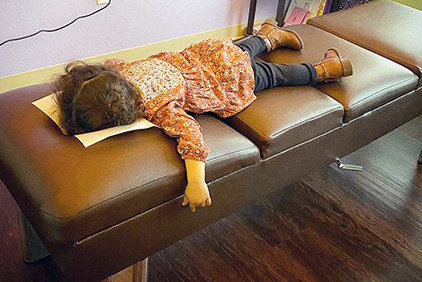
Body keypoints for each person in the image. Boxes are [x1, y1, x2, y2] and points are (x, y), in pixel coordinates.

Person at [53, 19, 353, 212]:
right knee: (242, 49)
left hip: (230, 78)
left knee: (274, 75)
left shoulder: (157, 109)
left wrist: (197, 180)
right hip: (211, 53)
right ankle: (268, 37)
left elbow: (191, 134)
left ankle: (324, 71)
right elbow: (111, 64)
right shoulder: (124, 70)